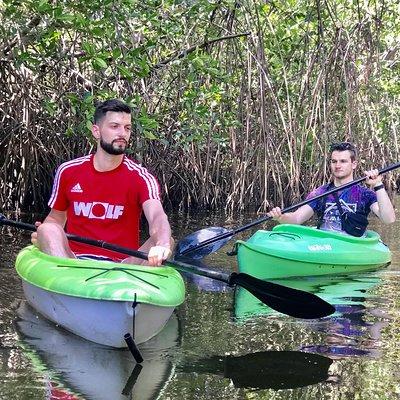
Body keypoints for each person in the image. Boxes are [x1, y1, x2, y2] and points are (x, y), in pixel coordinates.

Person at [31, 99, 172, 266]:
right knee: (47, 229)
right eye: (114, 126)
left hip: (124, 265)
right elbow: (56, 218)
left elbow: (157, 216)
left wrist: (162, 244)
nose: (122, 133)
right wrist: (45, 236)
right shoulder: (68, 171)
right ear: (96, 131)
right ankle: (68, 283)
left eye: (127, 128)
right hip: (73, 261)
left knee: (166, 239)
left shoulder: (141, 177)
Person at [268, 142, 395, 234]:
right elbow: (297, 218)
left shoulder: (364, 194)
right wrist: (280, 217)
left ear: (354, 164)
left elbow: (389, 219)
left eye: (343, 161)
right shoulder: (320, 193)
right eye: (334, 161)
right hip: (324, 244)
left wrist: (378, 184)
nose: (337, 165)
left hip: (351, 245)